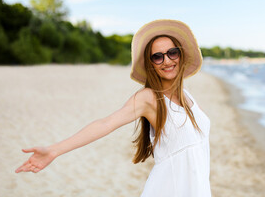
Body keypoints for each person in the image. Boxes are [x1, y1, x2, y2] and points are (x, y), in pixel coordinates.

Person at [15, 19, 211, 197]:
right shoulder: (149, 98)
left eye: (172, 53)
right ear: (151, 64)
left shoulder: (187, 97)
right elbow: (106, 123)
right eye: (157, 57)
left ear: (181, 55)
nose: (167, 60)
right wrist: (53, 150)